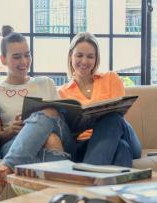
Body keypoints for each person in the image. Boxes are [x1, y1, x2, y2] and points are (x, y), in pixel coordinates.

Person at [0, 25, 74, 203]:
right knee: (50, 141)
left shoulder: (45, 83)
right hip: (14, 143)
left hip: (60, 135)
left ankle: (0, 173)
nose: (24, 61)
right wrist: (10, 130)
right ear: (3, 59)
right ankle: (58, 202)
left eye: (27, 54)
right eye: (17, 57)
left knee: (46, 113)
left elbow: (60, 120)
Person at [58, 31, 142, 166]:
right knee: (122, 148)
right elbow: (68, 133)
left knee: (113, 118)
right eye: (79, 55)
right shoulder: (62, 93)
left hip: (120, 132)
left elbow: (120, 116)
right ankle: (109, 185)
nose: (84, 61)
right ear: (70, 56)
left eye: (90, 56)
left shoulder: (111, 78)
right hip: (84, 144)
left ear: (96, 59)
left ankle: (89, 175)